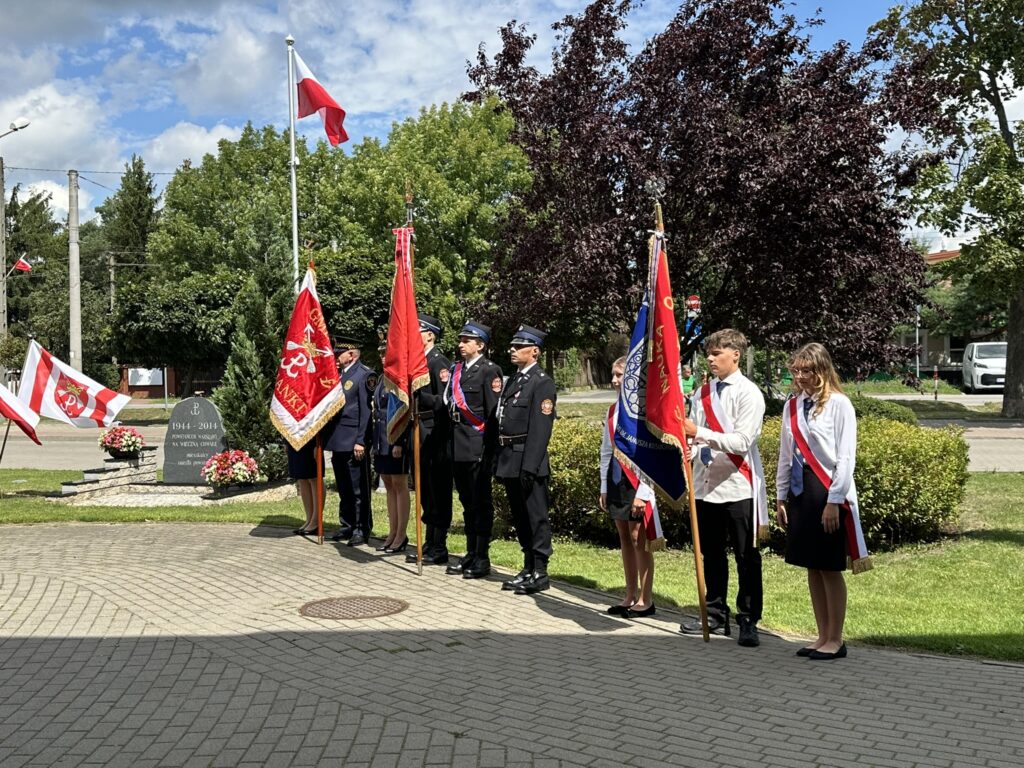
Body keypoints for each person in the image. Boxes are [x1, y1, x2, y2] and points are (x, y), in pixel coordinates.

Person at [776, 342, 871, 661]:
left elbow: (845, 458)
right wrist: (780, 496)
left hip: (826, 489)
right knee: (812, 566)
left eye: (807, 370)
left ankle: (836, 638)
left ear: (822, 369)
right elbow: (786, 455)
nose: (800, 376)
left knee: (829, 567)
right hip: (800, 491)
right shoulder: (792, 406)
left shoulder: (840, 404)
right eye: (796, 370)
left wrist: (834, 500)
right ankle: (821, 635)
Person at [680, 328, 768, 647]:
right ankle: (716, 614)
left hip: (738, 486)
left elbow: (742, 441)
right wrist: (689, 447)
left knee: (746, 556)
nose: (710, 358)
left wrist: (699, 433)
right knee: (712, 554)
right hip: (706, 485)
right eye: (709, 353)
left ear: (736, 355)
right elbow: (695, 436)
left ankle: (748, 619)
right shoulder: (702, 393)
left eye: (717, 353)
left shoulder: (749, 393)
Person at [495, 325, 557, 595]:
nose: (512, 350)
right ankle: (528, 565)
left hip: (528, 462)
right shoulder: (514, 380)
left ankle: (540, 571)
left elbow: (541, 430)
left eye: (519, 346)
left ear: (535, 351)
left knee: (536, 517)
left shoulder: (542, 382)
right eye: (512, 345)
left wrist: (529, 467)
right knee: (521, 518)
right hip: (510, 459)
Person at [444, 320, 503, 578]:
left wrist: (489, 451)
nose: (461, 344)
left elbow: (493, 415)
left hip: (477, 444)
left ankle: (482, 555)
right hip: (458, 443)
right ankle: (470, 552)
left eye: (466, 341)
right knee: (466, 502)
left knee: (480, 502)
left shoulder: (490, 371)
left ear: (480, 345)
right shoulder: (456, 369)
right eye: (460, 340)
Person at [599, 356, 656, 616]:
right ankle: (630, 594)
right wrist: (603, 486)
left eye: (620, 375)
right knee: (624, 536)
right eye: (613, 374)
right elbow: (606, 450)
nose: (614, 380)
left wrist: (643, 492)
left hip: (637, 480)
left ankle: (646, 599)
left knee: (638, 538)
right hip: (616, 478)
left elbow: (650, 455)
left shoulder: (644, 412)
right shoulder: (613, 410)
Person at [405, 313, 454, 566]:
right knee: (424, 490)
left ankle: (439, 544)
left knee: (438, 490)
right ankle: (429, 540)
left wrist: (419, 397)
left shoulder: (438, 363)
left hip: (434, 432)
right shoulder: (418, 362)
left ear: (430, 335)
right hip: (418, 429)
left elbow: (444, 401)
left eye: (418, 332)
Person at [323, 336, 376, 547]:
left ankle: (361, 528)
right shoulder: (338, 375)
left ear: (351, 354)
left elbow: (365, 411)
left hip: (353, 439)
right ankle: (347, 524)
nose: (336, 357)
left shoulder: (364, 375)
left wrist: (361, 441)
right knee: (343, 487)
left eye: (339, 353)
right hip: (337, 439)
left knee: (358, 488)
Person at [371, 337, 411, 554]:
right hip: (381, 440)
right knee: (387, 483)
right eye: (380, 353)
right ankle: (392, 531)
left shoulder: (399, 379)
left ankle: (401, 534)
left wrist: (400, 442)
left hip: (395, 440)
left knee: (399, 484)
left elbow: (404, 413)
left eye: (386, 353)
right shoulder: (381, 378)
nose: (382, 357)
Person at [287, 441, 325, 536]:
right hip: (294, 438)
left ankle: (316, 521)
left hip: (312, 440)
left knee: (314, 477)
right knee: (302, 478)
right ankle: (309, 519)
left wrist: (319, 444)